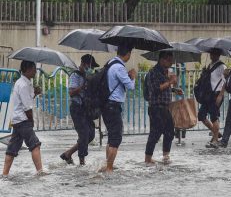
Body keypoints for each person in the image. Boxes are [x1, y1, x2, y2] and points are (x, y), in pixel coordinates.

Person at [2, 60, 45, 177]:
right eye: (34, 69)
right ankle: (40, 171)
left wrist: (35, 93)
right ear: (28, 69)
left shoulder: (21, 82)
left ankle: (4, 174)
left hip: (17, 120)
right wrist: (31, 121)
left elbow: (26, 100)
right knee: (35, 144)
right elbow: (27, 107)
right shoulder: (24, 84)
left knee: (12, 149)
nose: (35, 71)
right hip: (23, 120)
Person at [99, 44, 136, 173]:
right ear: (128, 54)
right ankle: (109, 167)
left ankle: (108, 164)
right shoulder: (119, 67)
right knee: (116, 138)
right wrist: (133, 77)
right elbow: (131, 87)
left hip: (106, 104)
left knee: (111, 136)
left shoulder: (110, 63)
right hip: (113, 106)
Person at [60, 54, 99, 165]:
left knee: (91, 135)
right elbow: (71, 93)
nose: (91, 68)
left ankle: (68, 153)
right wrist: (82, 87)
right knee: (84, 134)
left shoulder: (87, 76)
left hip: (85, 109)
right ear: (84, 64)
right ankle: (82, 162)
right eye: (90, 66)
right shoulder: (75, 75)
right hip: (77, 109)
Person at [144, 51, 178, 165]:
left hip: (165, 107)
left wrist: (174, 89)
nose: (171, 62)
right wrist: (170, 82)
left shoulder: (165, 72)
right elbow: (156, 89)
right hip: (156, 107)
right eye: (169, 60)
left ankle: (165, 156)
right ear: (162, 60)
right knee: (155, 133)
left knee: (169, 131)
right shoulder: (153, 72)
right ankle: (148, 158)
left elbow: (165, 87)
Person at [197, 48, 226, 148]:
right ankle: (216, 133)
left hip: (216, 95)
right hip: (207, 95)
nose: (212, 55)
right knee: (201, 115)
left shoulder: (222, 66)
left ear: (218, 55)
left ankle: (215, 140)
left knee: (214, 117)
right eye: (211, 54)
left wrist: (221, 95)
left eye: (214, 54)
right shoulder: (210, 66)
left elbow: (225, 82)